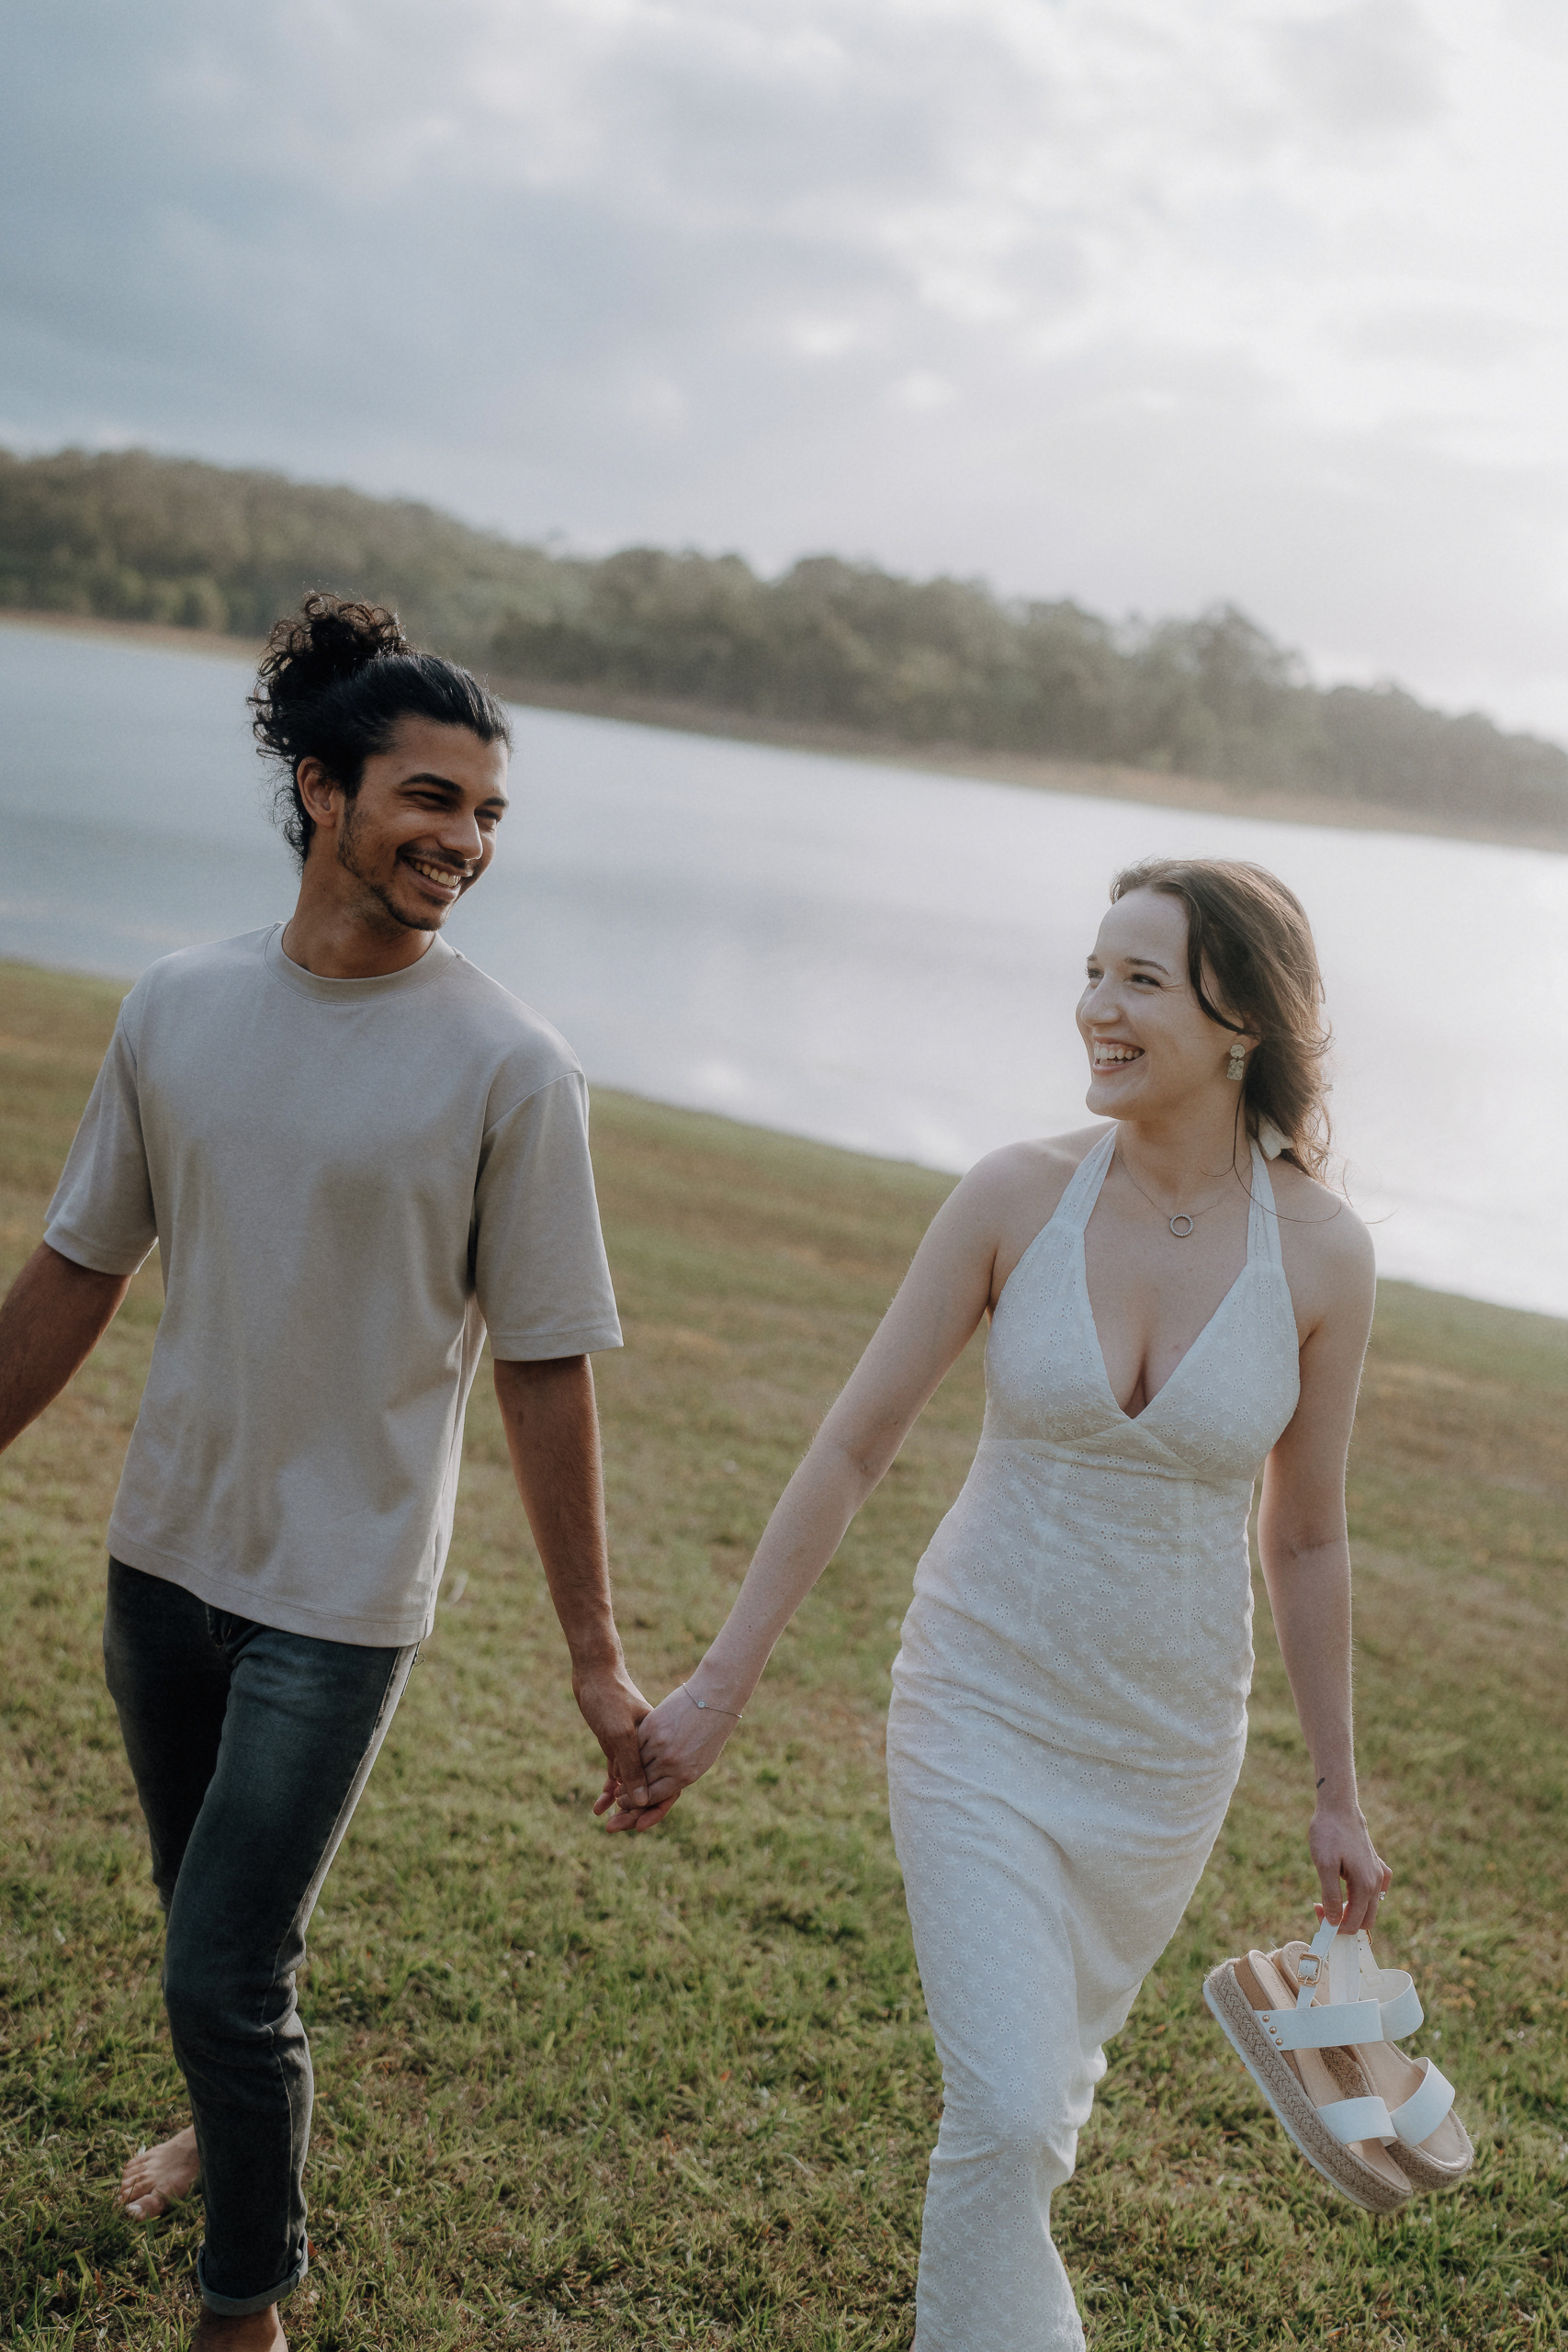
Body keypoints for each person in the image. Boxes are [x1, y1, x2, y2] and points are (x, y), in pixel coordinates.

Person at [0, 596, 651, 2350]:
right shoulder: (178, 1005)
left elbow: (541, 1365)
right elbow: (78, 1265)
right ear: (321, 791)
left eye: (490, 815)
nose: (464, 841)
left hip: (341, 1599)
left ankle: (246, 2316)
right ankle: (224, 2130)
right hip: (163, 1561)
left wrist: (597, 1659)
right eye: (432, 800)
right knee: (202, 1927)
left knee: (222, 1966)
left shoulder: (512, 1068)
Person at [626, 858, 1392, 2349]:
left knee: (1043, 2108)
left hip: (1164, 1754)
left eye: (1140, 982)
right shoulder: (1015, 1195)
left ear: (1240, 1020)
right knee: (1005, 2103)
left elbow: (1306, 1540)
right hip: (977, 1703)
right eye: (1093, 973)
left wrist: (1339, 1792)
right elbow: (854, 1446)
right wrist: (720, 1685)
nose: (1096, 1009)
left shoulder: (1322, 1253)